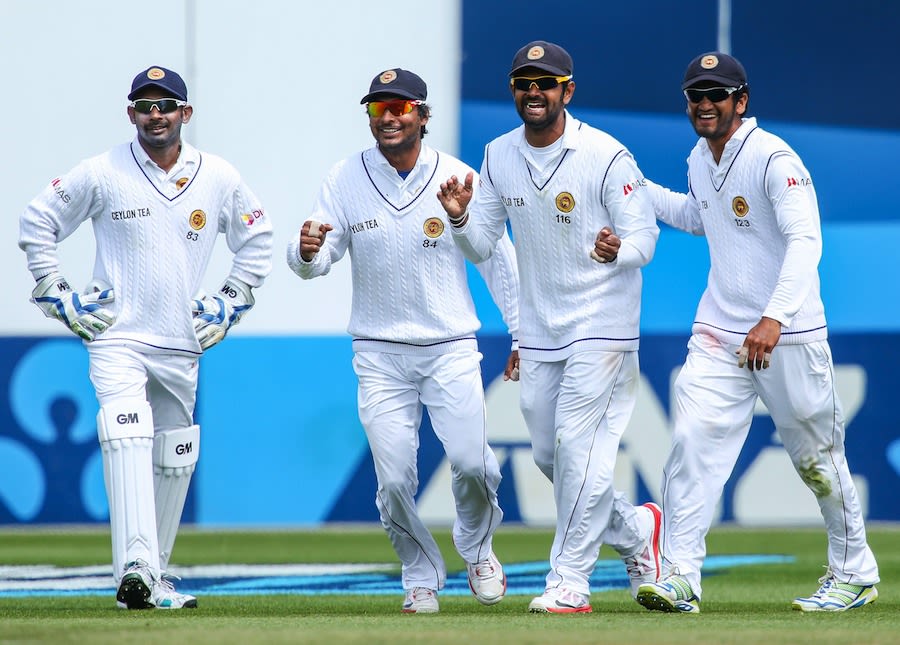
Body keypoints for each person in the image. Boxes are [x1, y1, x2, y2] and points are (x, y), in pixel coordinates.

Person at [18, 65, 274, 609]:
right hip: (117, 334)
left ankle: (152, 579)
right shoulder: (100, 171)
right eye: (144, 105)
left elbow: (259, 239)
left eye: (165, 105)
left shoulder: (219, 176)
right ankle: (135, 565)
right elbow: (37, 222)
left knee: (175, 455)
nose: (155, 115)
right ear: (130, 112)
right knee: (125, 432)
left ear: (185, 113)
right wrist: (56, 290)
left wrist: (229, 302)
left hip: (182, 341)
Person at [636, 52, 880, 614]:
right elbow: (701, 217)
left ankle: (854, 572)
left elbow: (806, 241)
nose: (704, 104)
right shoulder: (699, 156)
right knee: (692, 444)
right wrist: (635, 188)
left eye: (716, 95)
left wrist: (774, 315)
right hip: (720, 331)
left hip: (787, 335)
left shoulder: (774, 158)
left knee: (817, 461)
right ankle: (679, 577)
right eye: (696, 95)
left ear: (740, 102)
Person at [437, 41, 663, 614]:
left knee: (577, 448)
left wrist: (620, 250)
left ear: (568, 91)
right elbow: (482, 244)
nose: (533, 91)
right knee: (550, 457)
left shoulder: (606, 154)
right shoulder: (497, 155)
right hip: (540, 329)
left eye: (546, 82)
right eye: (523, 81)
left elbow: (645, 235)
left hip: (602, 323)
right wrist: (461, 218)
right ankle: (636, 532)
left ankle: (570, 581)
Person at [286, 68, 518, 614]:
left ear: (423, 115)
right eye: (378, 109)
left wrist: (522, 333)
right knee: (393, 482)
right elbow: (316, 262)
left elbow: (495, 259)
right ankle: (419, 574)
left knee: (474, 465)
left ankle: (477, 546)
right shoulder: (344, 177)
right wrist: (305, 251)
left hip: (450, 346)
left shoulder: (459, 177)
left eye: (400, 107)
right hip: (379, 352)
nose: (388, 117)